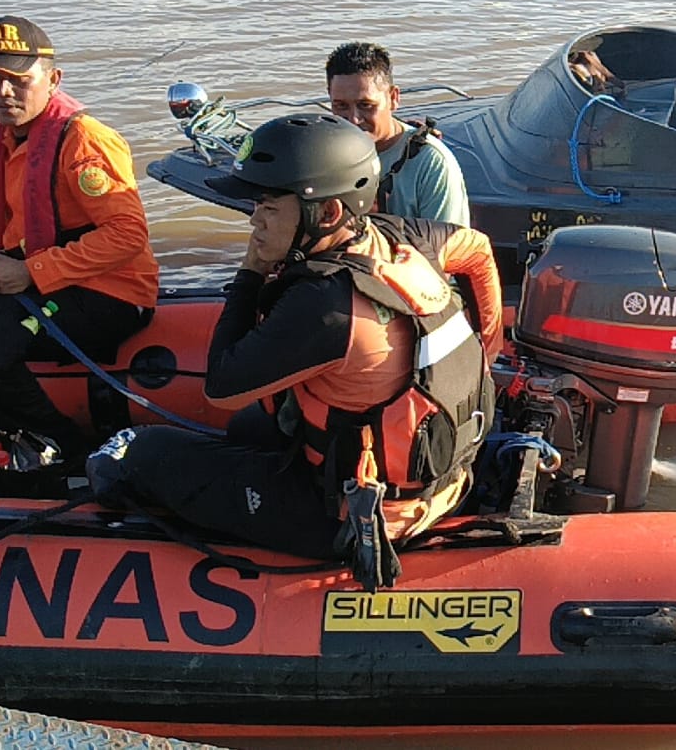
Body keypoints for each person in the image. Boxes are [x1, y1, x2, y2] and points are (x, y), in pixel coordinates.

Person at [88, 113, 502, 569]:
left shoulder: (325, 306)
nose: (254, 222)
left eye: (268, 206)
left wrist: (249, 274)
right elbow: (478, 250)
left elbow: (222, 388)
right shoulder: (403, 237)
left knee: (141, 452)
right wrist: (489, 344)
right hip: (440, 479)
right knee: (249, 425)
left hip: (354, 514)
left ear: (327, 213)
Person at [0, 16, 159, 488]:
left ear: (52, 79)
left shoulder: (83, 139)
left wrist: (30, 273)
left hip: (111, 294)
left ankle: (61, 447)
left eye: (17, 80)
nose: (3, 92)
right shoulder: (8, 140)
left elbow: (128, 234)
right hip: (48, 279)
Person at [325, 41, 471, 227]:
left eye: (366, 105)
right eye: (341, 106)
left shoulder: (431, 163)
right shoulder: (324, 156)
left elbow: (449, 248)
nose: (353, 119)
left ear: (393, 98)